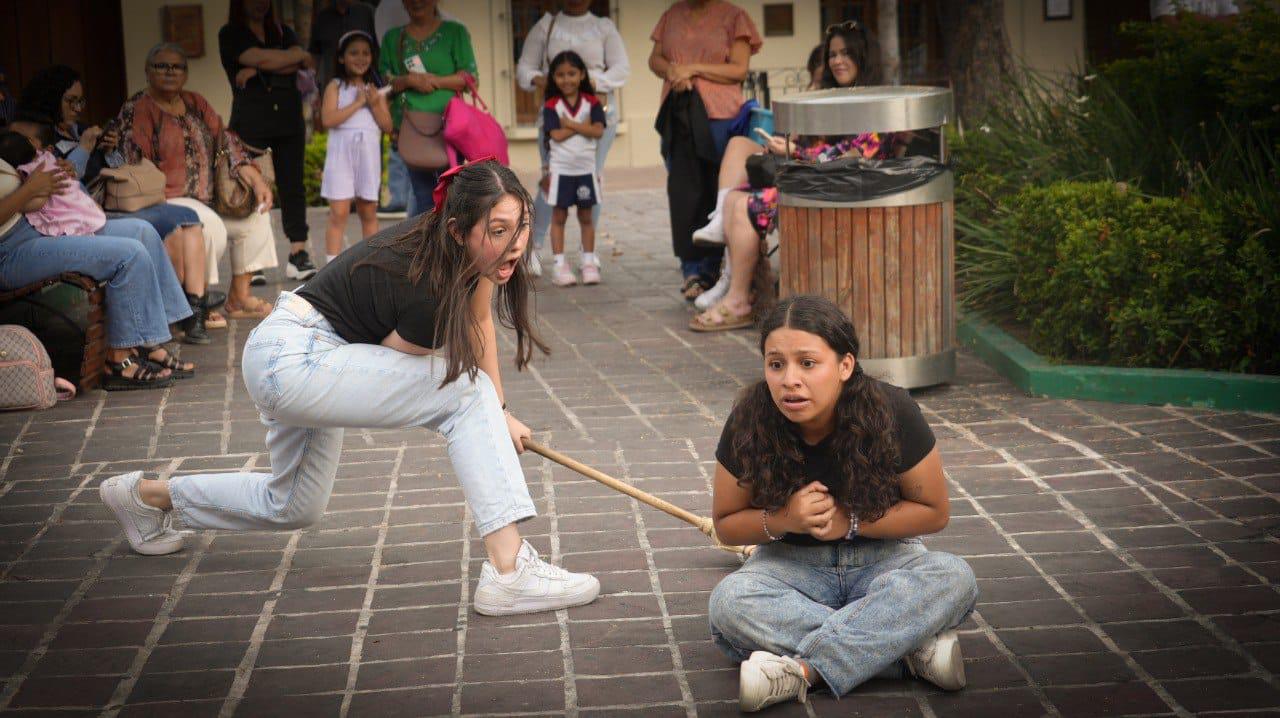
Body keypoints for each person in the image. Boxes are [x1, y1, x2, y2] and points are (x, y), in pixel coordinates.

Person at [96, 160, 602, 617]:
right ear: (458, 230)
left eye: (521, 228)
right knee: (464, 389)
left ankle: (146, 499)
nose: (515, 243)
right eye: (498, 230)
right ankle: (510, 572)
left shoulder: (468, 254)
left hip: (298, 350)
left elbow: (479, 325)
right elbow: (408, 368)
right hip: (295, 356)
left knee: (294, 503)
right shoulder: (426, 287)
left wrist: (503, 410)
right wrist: (488, 411)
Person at [707, 295, 977, 711]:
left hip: (885, 561)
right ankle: (908, 654)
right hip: (790, 569)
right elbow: (726, 524)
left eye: (808, 363)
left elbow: (935, 512)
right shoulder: (750, 420)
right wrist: (785, 518)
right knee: (730, 603)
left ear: (845, 366)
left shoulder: (892, 410)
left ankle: (802, 672)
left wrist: (850, 524)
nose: (789, 380)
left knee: (953, 576)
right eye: (776, 364)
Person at [691, 22, 896, 332]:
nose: (837, 61)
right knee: (735, 198)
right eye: (833, 54)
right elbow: (818, 147)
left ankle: (738, 300)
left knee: (749, 203)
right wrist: (793, 146)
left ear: (865, 57)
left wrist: (797, 152)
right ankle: (738, 294)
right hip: (814, 181)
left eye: (847, 53)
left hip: (847, 190)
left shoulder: (877, 102)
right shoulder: (832, 96)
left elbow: (856, 156)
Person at [15, 65, 221, 344]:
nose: (77, 108)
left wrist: (110, 150)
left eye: (81, 101)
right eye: (70, 101)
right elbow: (66, 188)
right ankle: (141, 343)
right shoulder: (40, 139)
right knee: (146, 236)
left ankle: (186, 311)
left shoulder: (81, 130)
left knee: (185, 216)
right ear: (52, 100)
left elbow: (119, 170)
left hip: (105, 205)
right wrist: (84, 150)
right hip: (82, 213)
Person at [0, 133, 191, 390]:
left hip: (37, 225)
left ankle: (149, 340)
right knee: (129, 253)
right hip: (12, 250)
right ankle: (118, 361)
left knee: (142, 231)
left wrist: (59, 167)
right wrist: (29, 190)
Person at [117, 43, 280, 321]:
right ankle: (195, 304)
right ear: (147, 71)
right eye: (162, 66)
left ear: (186, 73)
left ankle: (239, 298)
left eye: (178, 66)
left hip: (209, 197)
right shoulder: (137, 109)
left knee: (257, 214)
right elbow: (133, 163)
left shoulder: (195, 102)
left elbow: (226, 141)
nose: (170, 71)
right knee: (208, 225)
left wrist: (255, 179)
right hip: (166, 201)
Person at [649, 0, 762, 302]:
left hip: (720, 118)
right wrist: (674, 71)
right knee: (684, 192)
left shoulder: (734, 16)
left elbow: (738, 69)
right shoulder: (671, 14)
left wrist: (693, 69)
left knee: (717, 191)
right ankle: (692, 270)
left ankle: (721, 269)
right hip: (679, 111)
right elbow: (655, 59)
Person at [515, 0, 630, 277]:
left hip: (597, 114)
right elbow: (524, 72)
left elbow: (621, 70)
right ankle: (535, 247)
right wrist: (553, 82)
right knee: (551, 180)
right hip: (556, 114)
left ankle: (586, 253)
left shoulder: (603, 27)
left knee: (592, 178)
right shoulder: (545, 27)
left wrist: (585, 82)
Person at [220, 0, 318, 283]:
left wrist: (261, 69)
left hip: (288, 118)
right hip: (251, 119)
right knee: (250, 185)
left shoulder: (283, 31)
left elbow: (305, 60)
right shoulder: (230, 33)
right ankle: (253, 261)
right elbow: (264, 58)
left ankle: (298, 252)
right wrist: (287, 59)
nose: (260, 4)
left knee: (292, 184)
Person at [379, 0, 477, 215]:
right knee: (422, 197)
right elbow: (384, 80)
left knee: (451, 197)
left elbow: (470, 79)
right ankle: (425, 246)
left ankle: (448, 246)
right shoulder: (393, 38)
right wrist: (409, 81)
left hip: (450, 128)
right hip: (410, 127)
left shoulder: (455, 32)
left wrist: (435, 81)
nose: (417, 2)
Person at [320, 30, 393, 263]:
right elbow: (328, 119)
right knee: (339, 212)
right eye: (353, 53)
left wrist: (373, 103)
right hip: (341, 156)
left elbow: (387, 126)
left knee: (368, 211)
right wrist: (358, 103)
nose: (360, 58)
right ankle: (331, 266)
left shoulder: (375, 90)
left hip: (368, 157)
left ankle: (369, 262)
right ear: (341, 57)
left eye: (365, 53)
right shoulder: (336, 87)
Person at [541, 51, 606, 288]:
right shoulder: (551, 105)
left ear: (582, 75)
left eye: (571, 73)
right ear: (553, 78)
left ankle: (588, 261)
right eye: (560, 75)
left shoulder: (592, 102)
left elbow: (598, 131)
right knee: (558, 217)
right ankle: (559, 265)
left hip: (586, 171)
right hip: (561, 171)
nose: (566, 79)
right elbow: (555, 135)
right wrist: (581, 126)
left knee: (586, 217)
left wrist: (570, 124)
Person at [309, 0, 378, 91]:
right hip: (332, 87)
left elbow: (379, 49)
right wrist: (312, 88)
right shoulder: (322, 18)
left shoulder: (368, 13)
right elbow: (314, 56)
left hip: (367, 86)